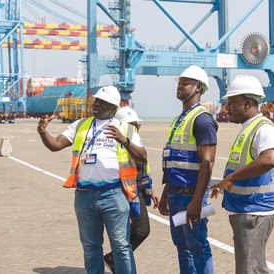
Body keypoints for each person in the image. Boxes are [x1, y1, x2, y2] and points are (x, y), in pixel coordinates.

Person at [37, 85, 146, 274]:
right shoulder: (80, 125)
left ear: (113, 108)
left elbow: (142, 158)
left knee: (121, 246)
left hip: (114, 195)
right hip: (85, 196)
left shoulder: (125, 129)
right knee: (90, 247)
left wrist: (124, 141)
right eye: (96, 101)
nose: (96, 104)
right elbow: (55, 145)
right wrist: (42, 132)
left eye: (103, 102)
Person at [210, 75, 274, 274]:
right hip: (244, 210)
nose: (227, 108)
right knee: (252, 269)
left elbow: (270, 159)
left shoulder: (263, 128)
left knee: (250, 270)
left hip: (254, 212)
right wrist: (225, 182)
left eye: (232, 102)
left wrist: (231, 178)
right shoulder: (247, 128)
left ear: (248, 103)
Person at [158, 65, 217, 274]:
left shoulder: (202, 120)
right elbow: (174, 162)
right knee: (182, 247)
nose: (180, 85)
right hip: (176, 194)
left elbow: (207, 163)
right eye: (180, 82)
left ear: (199, 88)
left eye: (186, 82)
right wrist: (166, 194)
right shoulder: (180, 119)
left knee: (198, 248)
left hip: (190, 196)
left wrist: (197, 201)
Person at [103, 106, 159, 274]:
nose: (134, 129)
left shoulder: (136, 143)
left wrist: (152, 190)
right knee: (129, 233)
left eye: (136, 125)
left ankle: (114, 259)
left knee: (138, 231)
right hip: (123, 193)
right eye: (131, 125)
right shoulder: (117, 146)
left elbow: (144, 169)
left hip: (138, 192)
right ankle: (120, 264)